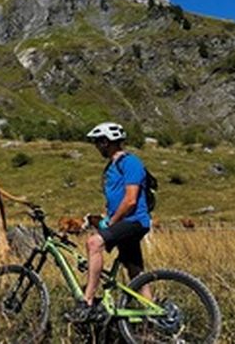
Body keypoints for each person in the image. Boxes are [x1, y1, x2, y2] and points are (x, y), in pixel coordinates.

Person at [70, 122, 152, 322]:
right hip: (123, 221)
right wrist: (106, 217)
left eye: (98, 142)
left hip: (133, 221)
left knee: (93, 243)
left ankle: (87, 301)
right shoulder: (111, 167)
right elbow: (115, 199)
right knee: (135, 272)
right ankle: (153, 315)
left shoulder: (131, 162)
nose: (96, 146)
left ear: (107, 142)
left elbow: (131, 199)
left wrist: (112, 222)